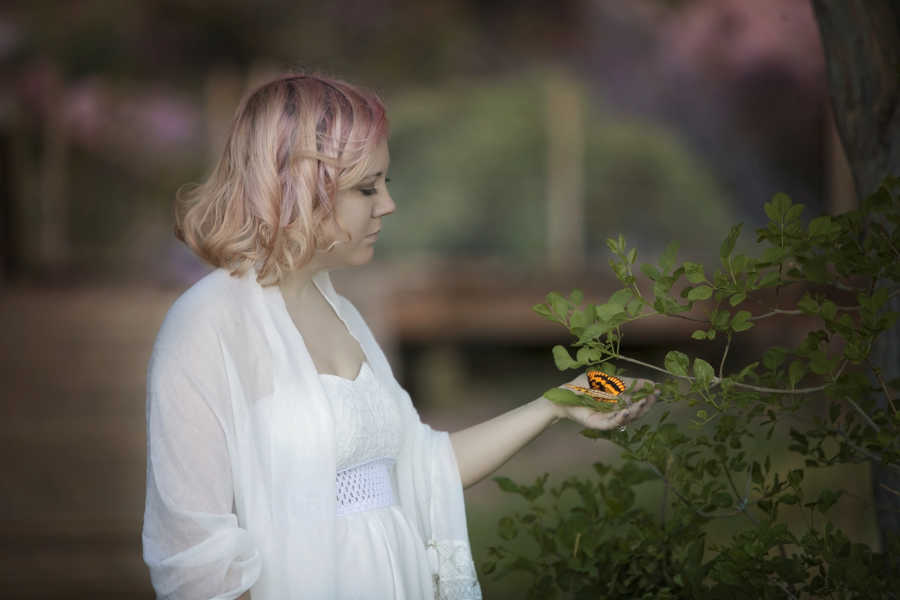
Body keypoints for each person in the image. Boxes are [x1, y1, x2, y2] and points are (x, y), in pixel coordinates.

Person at [141, 73, 656, 600]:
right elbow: (195, 559)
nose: (387, 205)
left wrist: (558, 402)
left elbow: (419, 471)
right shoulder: (205, 325)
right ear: (299, 187)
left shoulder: (340, 312)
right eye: (366, 188)